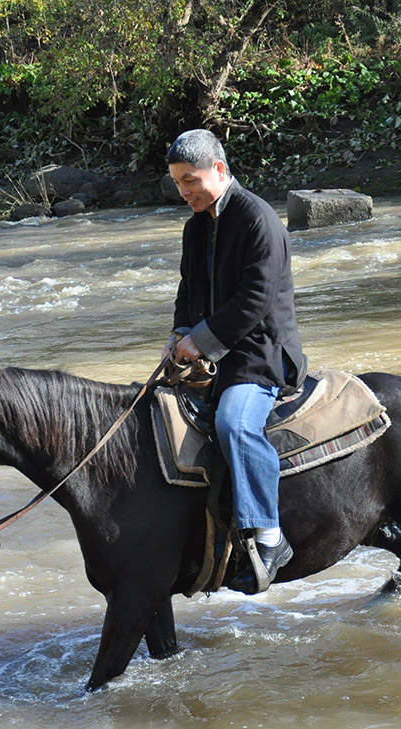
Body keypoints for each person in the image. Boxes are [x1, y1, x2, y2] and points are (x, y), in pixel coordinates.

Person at [163, 128, 306, 594]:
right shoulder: (195, 225)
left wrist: (201, 342)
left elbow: (255, 301)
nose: (183, 192)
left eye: (190, 180)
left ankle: (269, 535)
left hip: (260, 355)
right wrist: (179, 334)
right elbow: (189, 292)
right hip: (215, 348)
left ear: (219, 171)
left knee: (234, 424)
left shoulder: (259, 219)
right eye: (177, 183)